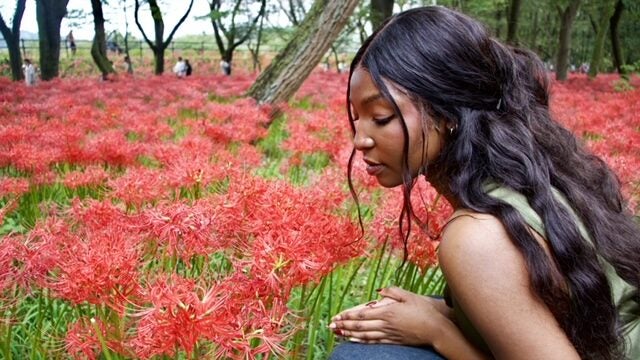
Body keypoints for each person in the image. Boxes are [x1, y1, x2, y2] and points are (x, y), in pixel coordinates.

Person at [329, 6, 639, 360]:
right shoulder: (535, 176)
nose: (360, 140)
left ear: (446, 112)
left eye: (381, 117)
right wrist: (443, 312)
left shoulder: (477, 237)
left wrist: (439, 331)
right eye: (358, 118)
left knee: (362, 358)